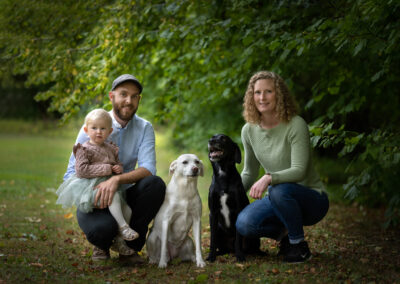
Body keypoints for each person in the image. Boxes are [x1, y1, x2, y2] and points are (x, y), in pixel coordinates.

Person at [63, 74, 166, 263]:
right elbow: (72, 171)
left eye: (134, 96)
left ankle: (129, 248)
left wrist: (116, 179)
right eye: (123, 94)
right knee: (102, 230)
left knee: (155, 185)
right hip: (93, 193)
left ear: (139, 100)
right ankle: (101, 245)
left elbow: (148, 168)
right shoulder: (95, 124)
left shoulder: (144, 127)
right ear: (112, 96)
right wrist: (95, 193)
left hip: (122, 192)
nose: (129, 101)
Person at [235, 71, 329, 263]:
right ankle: (286, 235)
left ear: (279, 94)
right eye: (257, 92)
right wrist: (227, 193)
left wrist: (269, 177)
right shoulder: (249, 130)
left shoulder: (296, 124)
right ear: (251, 97)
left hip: (311, 199)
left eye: (268, 91)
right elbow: (249, 172)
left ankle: (298, 246)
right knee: (244, 224)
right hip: (279, 198)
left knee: (277, 189)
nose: (262, 97)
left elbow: (299, 170)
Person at [57, 108, 139, 256]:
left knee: (127, 209)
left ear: (109, 131)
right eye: (94, 128)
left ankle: (120, 240)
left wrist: (118, 168)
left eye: (103, 128)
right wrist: (107, 169)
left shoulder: (111, 148)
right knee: (113, 196)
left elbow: (117, 163)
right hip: (90, 187)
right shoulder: (84, 149)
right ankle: (123, 227)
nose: (98, 132)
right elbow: (82, 170)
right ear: (86, 130)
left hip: (109, 185)